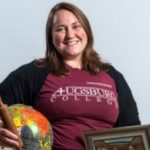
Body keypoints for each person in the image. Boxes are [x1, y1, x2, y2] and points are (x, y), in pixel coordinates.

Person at [0, 2, 141, 150]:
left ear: (86, 29)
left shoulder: (112, 76)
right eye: (60, 29)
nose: (70, 35)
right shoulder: (36, 72)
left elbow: (133, 131)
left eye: (76, 26)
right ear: (51, 37)